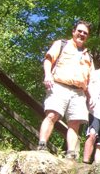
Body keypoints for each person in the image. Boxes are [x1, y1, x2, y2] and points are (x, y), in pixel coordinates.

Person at [37, 20, 94, 159]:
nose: (82, 34)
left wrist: (90, 97)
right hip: (59, 86)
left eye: (85, 33)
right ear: (73, 31)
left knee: (75, 123)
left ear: (88, 36)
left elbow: (90, 80)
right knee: (52, 115)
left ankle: (71, 154)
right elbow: (48, 60)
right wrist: (48, 75)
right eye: (79, 31)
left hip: (79, 93)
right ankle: (42, 145)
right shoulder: (62, 44)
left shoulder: (89, 56)